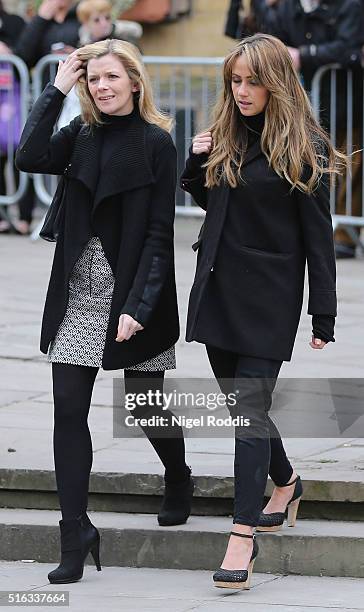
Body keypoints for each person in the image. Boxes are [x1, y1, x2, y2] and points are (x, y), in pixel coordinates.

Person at [15, 38, 194, 584]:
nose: (103, 86)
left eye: (112, 77)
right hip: (78, 295)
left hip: (136, 293)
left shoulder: (158, 143)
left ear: (135, 82)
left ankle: (178, 475)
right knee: (67, 410)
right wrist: (56, 88)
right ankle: (75, 532)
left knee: (142, 405)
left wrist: (139, 304)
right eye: (94, 79)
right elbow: (28, 156)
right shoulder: (80, 136)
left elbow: (161, 233)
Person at [181, 33, 343, 589]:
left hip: (269, 297)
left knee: (247, 412)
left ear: (276, 83)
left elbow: (319, 240)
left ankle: (241, 536)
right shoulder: (228, 133)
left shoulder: (307, 148)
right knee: (241, 407)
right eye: (235, 80)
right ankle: (288, 481)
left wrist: (324, 314)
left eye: (253, 81)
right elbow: (217, 203)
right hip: (219, 290)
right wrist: (195, 161)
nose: (242, 91)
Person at [264, 0, 364, 258]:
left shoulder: (349, 5)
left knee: (348, 168)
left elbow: (347, 48)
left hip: (347, 102)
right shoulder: (288, 8)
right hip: (303, 108)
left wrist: (303, 55)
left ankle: (344, 236)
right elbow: (270, 44)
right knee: (305, 166)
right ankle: (305, 230)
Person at [76, 0, 143, 46]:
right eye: (97, 20)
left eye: (107, 18)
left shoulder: (123, 33)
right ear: (85, 23)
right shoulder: (83, 40)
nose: (104, 23)